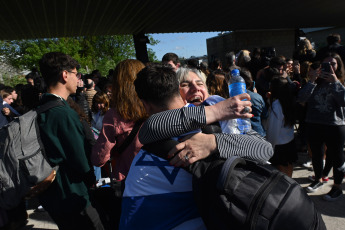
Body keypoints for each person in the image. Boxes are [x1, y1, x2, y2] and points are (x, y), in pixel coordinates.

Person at [120, 64, 273, 229]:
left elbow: (265, 149)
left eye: (200, 83)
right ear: (178, 92)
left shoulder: (223, 120)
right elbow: (150, 127)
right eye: (185, 84)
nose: (194, 88)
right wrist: (216, 111)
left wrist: (212, 142)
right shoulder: (158, 128)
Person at [37, 52, 104, 229]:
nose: (79, 80)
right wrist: (91, 178)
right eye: (76, 74)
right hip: (72, 193)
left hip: (51, 192)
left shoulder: (41, 108)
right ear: (65, 75)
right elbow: (80, 159)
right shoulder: (62, 113)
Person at [298, 52, 345, 201]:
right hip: (314, 123)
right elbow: (301, 99)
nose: (330, 67)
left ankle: (337, 187)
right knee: (317, 156)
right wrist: (312, 80)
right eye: (326, 64)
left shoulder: (341, 82)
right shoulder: (315, 81)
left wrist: (335, 82)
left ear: (338, 66)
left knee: (337, 157)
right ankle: (318, 179)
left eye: (333, 64)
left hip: (335, 125)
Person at [265, 77, 297, 177]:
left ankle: (287, 187)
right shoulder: (288, 101)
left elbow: (273, 130)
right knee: (289, 164)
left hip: (279, 144)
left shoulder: (276, 106)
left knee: (281, 169)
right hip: (289, 140)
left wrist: (270, 147)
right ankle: (291, 183)